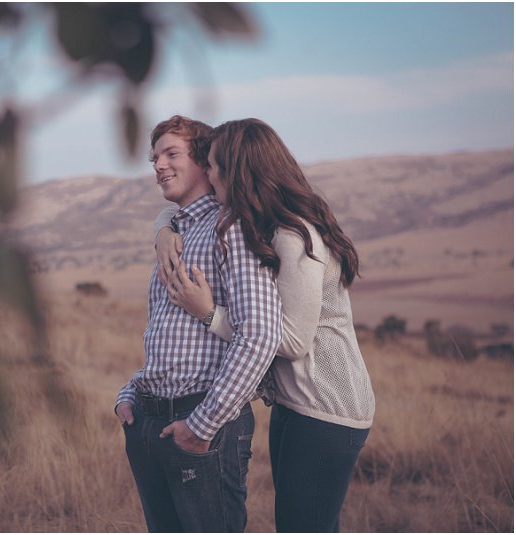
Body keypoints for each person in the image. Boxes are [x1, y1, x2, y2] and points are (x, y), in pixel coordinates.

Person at [154, 118, 375, 532]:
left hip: (328, 407)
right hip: (298, 404)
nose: (210, 173)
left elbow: (291, 340)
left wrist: (208, 312)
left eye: (217, 165)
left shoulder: (294, 235)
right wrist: (164, 228)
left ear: (240, 170)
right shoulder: (267, 226)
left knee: (304, 526)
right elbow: (177, 210)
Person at [115, 115, 283, 533]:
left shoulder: (232, 229)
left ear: (205, 163)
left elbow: (260, 334)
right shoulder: (174, 235)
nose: (158, 166)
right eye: (154, 157)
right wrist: (131, 392)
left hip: (204, 426)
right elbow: (167, 334)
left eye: (171, 154)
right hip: (150, 423)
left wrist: (201, 426)